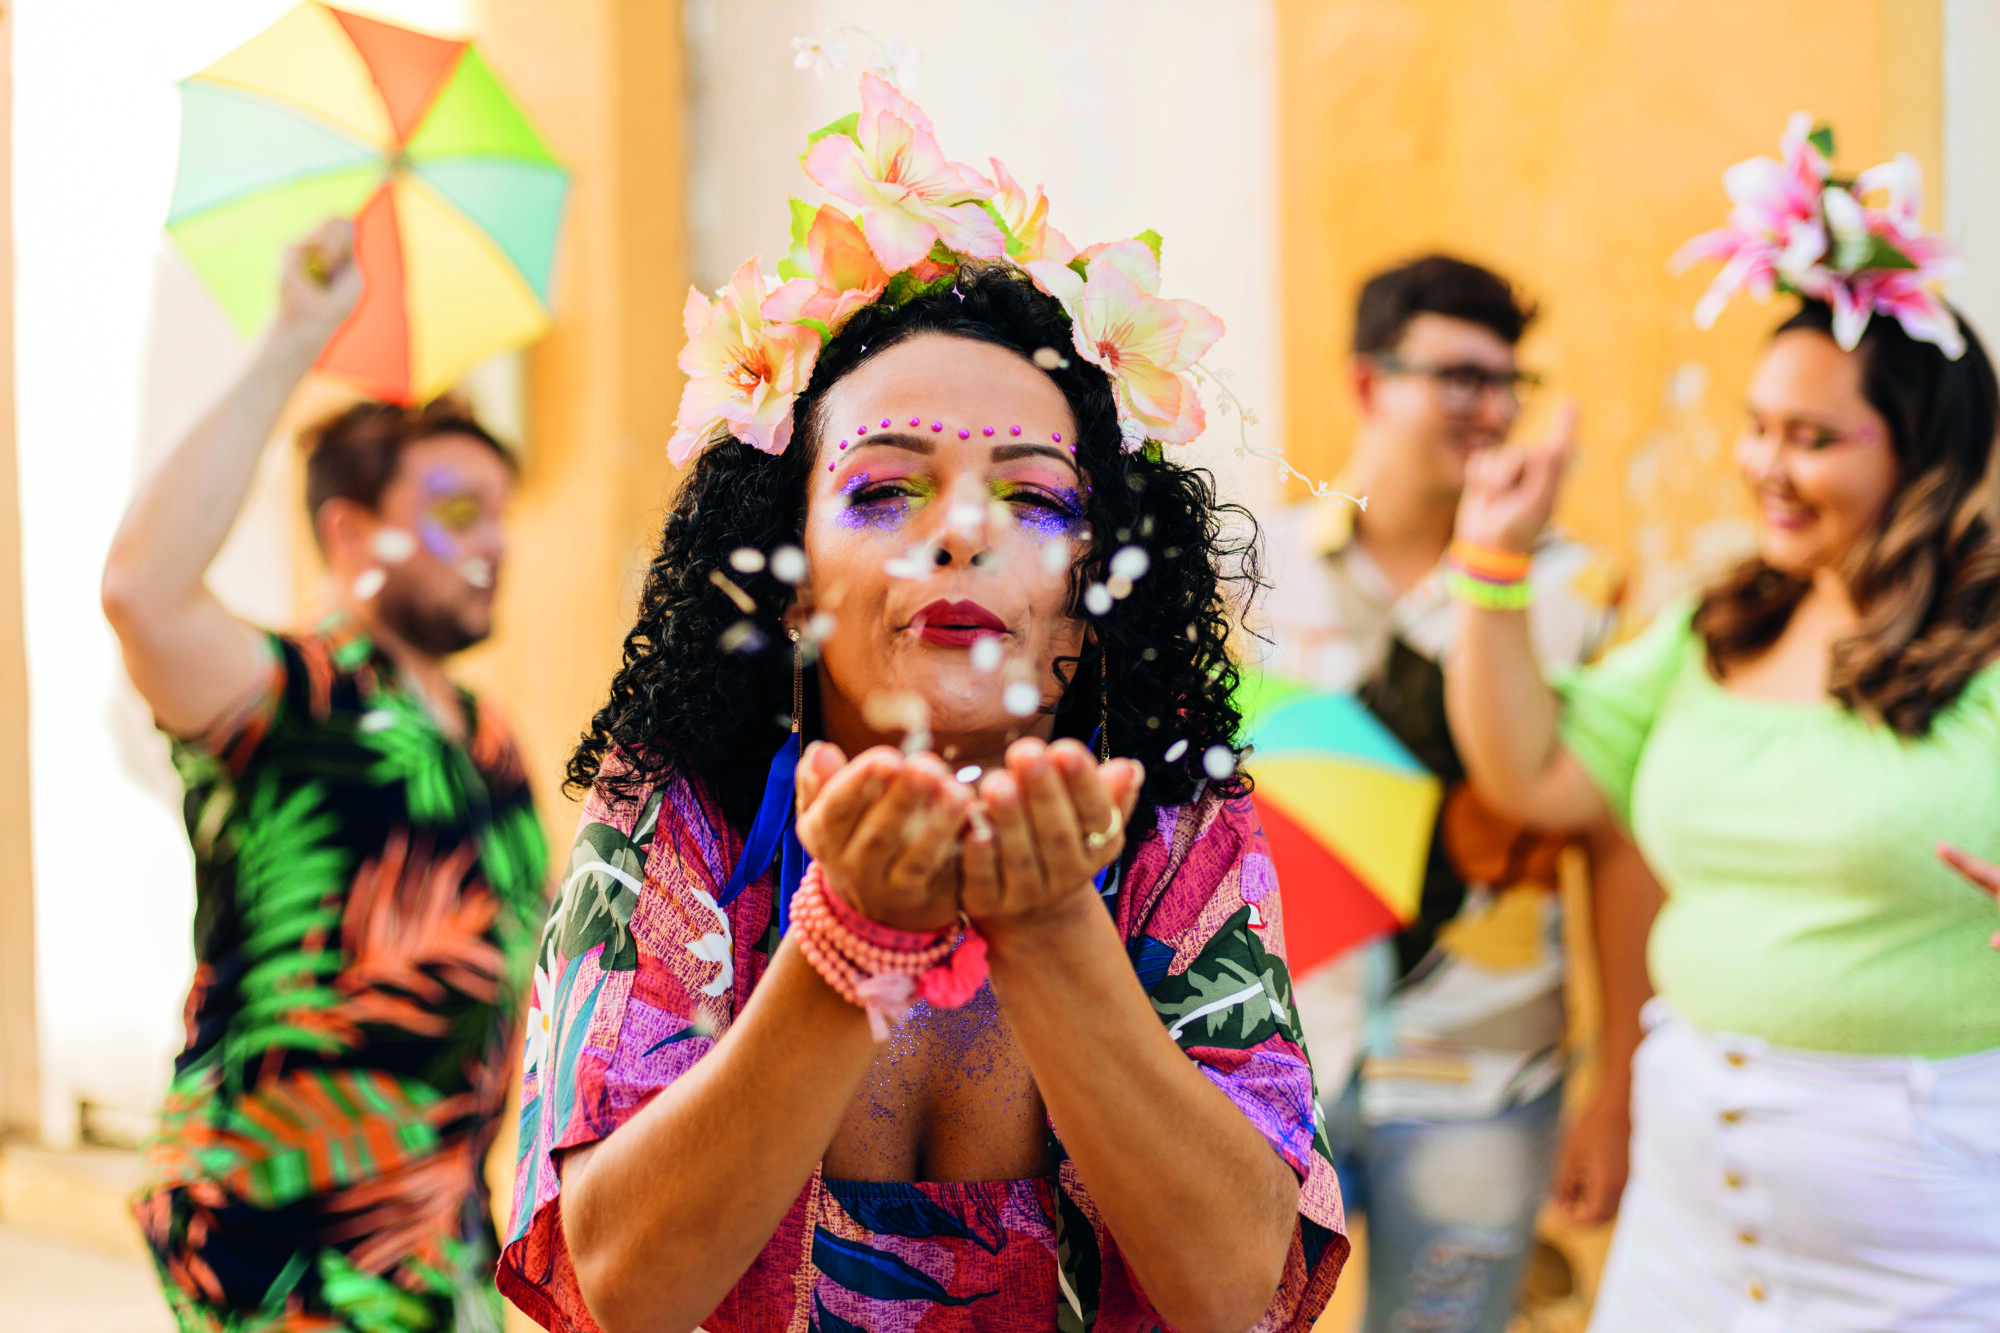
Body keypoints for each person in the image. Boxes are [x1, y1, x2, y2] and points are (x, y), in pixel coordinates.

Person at [498, 75, 1345, 1333]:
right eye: (886, 489)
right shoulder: (682, 811)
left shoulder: (1170, 826)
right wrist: (842, 949)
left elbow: (1238, 1292)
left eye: (1037, 501)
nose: (960, 532)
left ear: (1082, 609)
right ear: (785, 583)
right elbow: (619, 1287)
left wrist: (1055, 927)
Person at [1446, 122, 2000, 1330]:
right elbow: (1530, 775)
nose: (1765, 465)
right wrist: (1488, 563)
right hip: (1687, 1226)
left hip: (1935, 1230)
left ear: (1924, 453)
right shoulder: (1718, 621)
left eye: (1813, 439)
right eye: (1757, 426)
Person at [103, 220, 549, 1331]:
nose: (491, 541)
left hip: (443, 1249)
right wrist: (293, 340)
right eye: (454, 512)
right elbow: (143, 593)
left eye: (499, 513)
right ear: (350, 534)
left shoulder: (491, 739)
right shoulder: (292, 693)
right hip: (283, 1245)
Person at [1260, 255, 1656, 1333]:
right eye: (1455, 377)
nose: (1488, 410)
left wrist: (1616, 1088)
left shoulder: (1576, 591)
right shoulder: (1257, 572)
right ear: (1363, 384)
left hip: (1487, 1080)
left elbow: (1618, 853)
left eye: (1505, 384)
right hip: (1275, 1067)